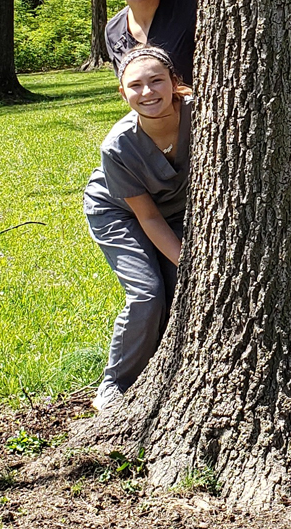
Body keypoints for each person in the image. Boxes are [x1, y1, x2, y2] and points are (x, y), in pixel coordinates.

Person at [84, 46, 192, 410]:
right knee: (148, 293)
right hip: (119, 212)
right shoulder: (118, 146)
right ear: (122, 93)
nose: (147, 93)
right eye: (136, 85)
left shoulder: (202, 116)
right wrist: (190, 261)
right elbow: (146, 217)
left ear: (174, 83)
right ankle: (115, 384)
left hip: (172, 209)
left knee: (181, 289)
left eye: (156, 81)